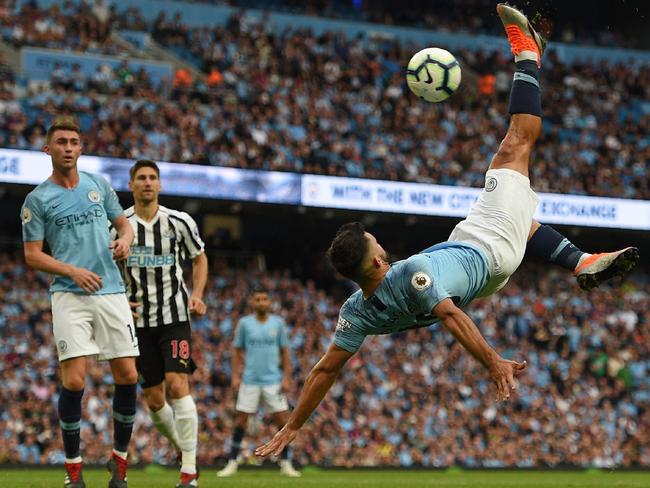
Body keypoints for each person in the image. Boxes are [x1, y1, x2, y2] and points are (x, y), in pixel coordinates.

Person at [255, 4, 640, 458]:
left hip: (474, 244)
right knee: (514, 147)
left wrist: (293, 427)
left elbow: (323, 371)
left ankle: (581, 260)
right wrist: (493, 362)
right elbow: (452, 317)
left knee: (524, 219)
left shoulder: (357, 311)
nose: (383, 244)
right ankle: (526, 54)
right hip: (487, 250)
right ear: (377, 261)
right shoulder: (413, 272)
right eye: (378, 245)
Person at [21, 116, 139, 488]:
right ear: (48, 150)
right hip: (69, 295)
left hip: (111, 290)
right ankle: (74, 470)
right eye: (61, 142)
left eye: (74, 142)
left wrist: (125, 240)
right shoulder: (37, 199)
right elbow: (32, 255)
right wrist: (71, 271)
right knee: (74, 381)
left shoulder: (98, 185)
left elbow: (125, 224)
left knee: (129, 376)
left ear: (81, 148)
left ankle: (118, 463)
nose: (68, 147)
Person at [118, 160, 207, 488]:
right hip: (137, 322)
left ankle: (188, 471)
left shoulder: (178, 222)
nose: (147, 183)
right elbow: (105, 264)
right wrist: (117, 300)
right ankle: (186, 450)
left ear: (159, 185)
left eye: (152, 178)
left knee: (178, 384)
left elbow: (199, 257)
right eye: (140, 178)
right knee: (155, 400)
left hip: (174, 318)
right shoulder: (120, 224)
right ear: (131, 185)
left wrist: (196, 295)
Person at [217, 288, 301, 477]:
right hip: (250, 380)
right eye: (258, 299)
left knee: (283, 421)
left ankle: (286, 463)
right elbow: (237, 351)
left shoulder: (277, 324)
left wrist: (286, 377)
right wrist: (236, 376)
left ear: (269, 302)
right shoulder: (245, 324)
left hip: (273, 380)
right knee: (240, 421)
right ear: (252, 302)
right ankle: (232, 462)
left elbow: (285, 352)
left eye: (264, 299)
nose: (262, 302)